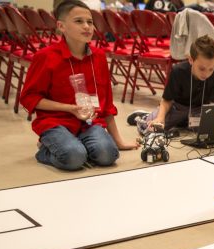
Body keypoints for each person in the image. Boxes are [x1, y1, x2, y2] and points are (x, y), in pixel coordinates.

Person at [21, 0, 138, 171]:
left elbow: (106, 104)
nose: (87, 27)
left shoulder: (99, 56)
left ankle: (75, 145)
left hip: (89, 122)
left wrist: (119, 141)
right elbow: (29, 97)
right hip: (55, 122)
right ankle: (45, 150)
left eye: (90, 22)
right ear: (61, 26)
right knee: (74, 157)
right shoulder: (45, 57)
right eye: (78, 21)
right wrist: (70, 108)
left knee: (108, 155)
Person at [128, 35, 214, 134]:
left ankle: (181, 122)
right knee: (150, 129)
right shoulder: (178, 71)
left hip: (200, 111)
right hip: (177, 108)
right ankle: (145, 116)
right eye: (202, 69)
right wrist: (160, 118)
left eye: (211, 69)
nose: (206, 74)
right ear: (191, 60)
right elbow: (167, 100)